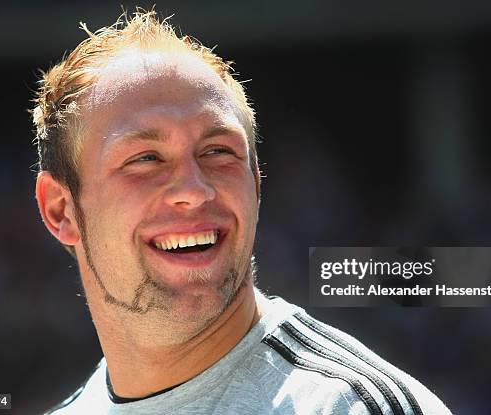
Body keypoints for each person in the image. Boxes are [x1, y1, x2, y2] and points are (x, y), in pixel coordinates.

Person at [32, 9, 451, 415]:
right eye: (145, 158)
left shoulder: (353, 407)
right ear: (60, 210)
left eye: (218, 152)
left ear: (256, 181)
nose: (194, 190)